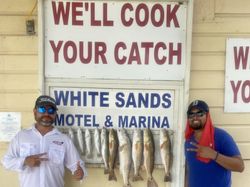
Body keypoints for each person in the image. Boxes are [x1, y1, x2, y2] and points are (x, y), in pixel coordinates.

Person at [1, 95, 87, 187]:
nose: (47, 114)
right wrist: (25, 161)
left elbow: (77, 165)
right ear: (34, 112)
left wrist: (80, 172)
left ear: (55, 114)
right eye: (42, 109)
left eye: (51, 111)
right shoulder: (21, 136)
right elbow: (6, 162)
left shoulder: (64, 139)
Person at [185, 100, 244, 187]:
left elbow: (240, 166)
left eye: (200, 113)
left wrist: (214, 155)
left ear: (207, 115)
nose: (195, 117)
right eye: (191, 114)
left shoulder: (221, 136)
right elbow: (190, 169)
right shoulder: (188, 140)